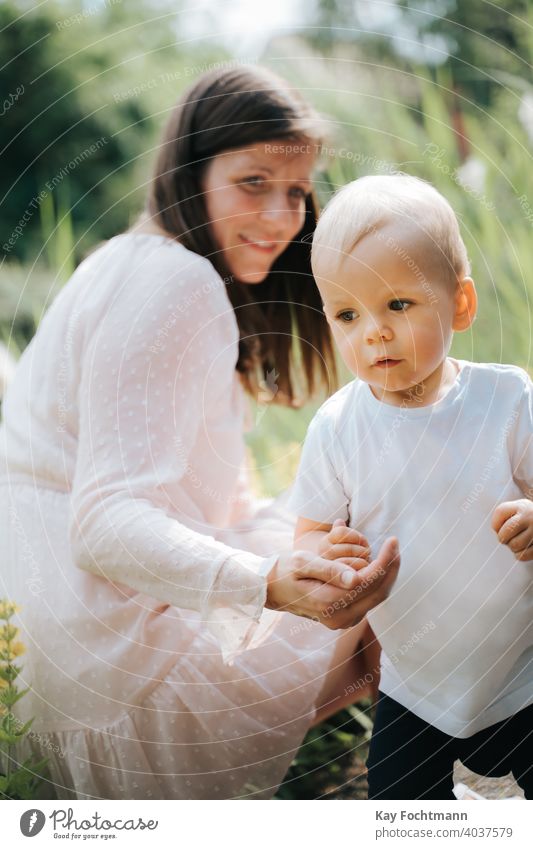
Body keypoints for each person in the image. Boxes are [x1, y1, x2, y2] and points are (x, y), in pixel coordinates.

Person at [0, 66, 399, 800]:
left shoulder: (125, 264)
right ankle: (426, 788)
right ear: (190, 172)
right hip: (124, 700)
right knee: (412, 537)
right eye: (253, 182)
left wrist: (307, 535)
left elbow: (204, 517)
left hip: (52, 689)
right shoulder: (175, 283)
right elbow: (105, 523)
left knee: (360, 517)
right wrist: (268, 581)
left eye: (296, 191)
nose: (282, 217)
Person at [288, 173, 533, 799]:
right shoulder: (339, 429)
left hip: (523, 678)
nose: (373, 331)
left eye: (399, 304)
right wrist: (327, 556)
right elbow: (308, 539)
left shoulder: (507, 401)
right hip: (414, 686)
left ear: (461, 304)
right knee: (398, 810)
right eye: (347, 314)